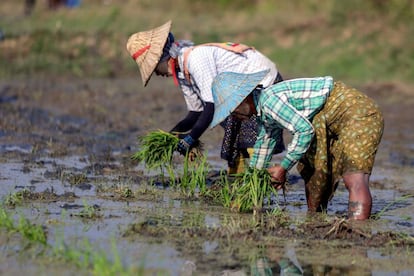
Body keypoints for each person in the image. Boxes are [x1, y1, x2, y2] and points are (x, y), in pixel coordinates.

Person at [209, 70, 384, 220]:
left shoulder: (270, 101)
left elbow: (304, 131)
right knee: (313, 172)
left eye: (233, 109)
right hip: (322, 120)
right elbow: (264, 146)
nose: (234, 116)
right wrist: (250, 188)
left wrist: (284, 167)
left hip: (355, 112)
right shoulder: (264, 114)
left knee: (353, 177)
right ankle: (314, 220)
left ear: (244, 99)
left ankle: (358, 232)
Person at [126, 20, 285, 173]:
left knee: (249, 135)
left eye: (154, 68)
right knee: (233, 130)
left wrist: (191, 138)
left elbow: (211, 107)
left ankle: (258, 176)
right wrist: (170, 137)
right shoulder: (182, 71)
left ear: (164, 57)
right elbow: (195, 113)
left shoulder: (196, 59)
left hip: (263, 82)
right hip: (241, 94)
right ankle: (238, 175)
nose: (157, 74)